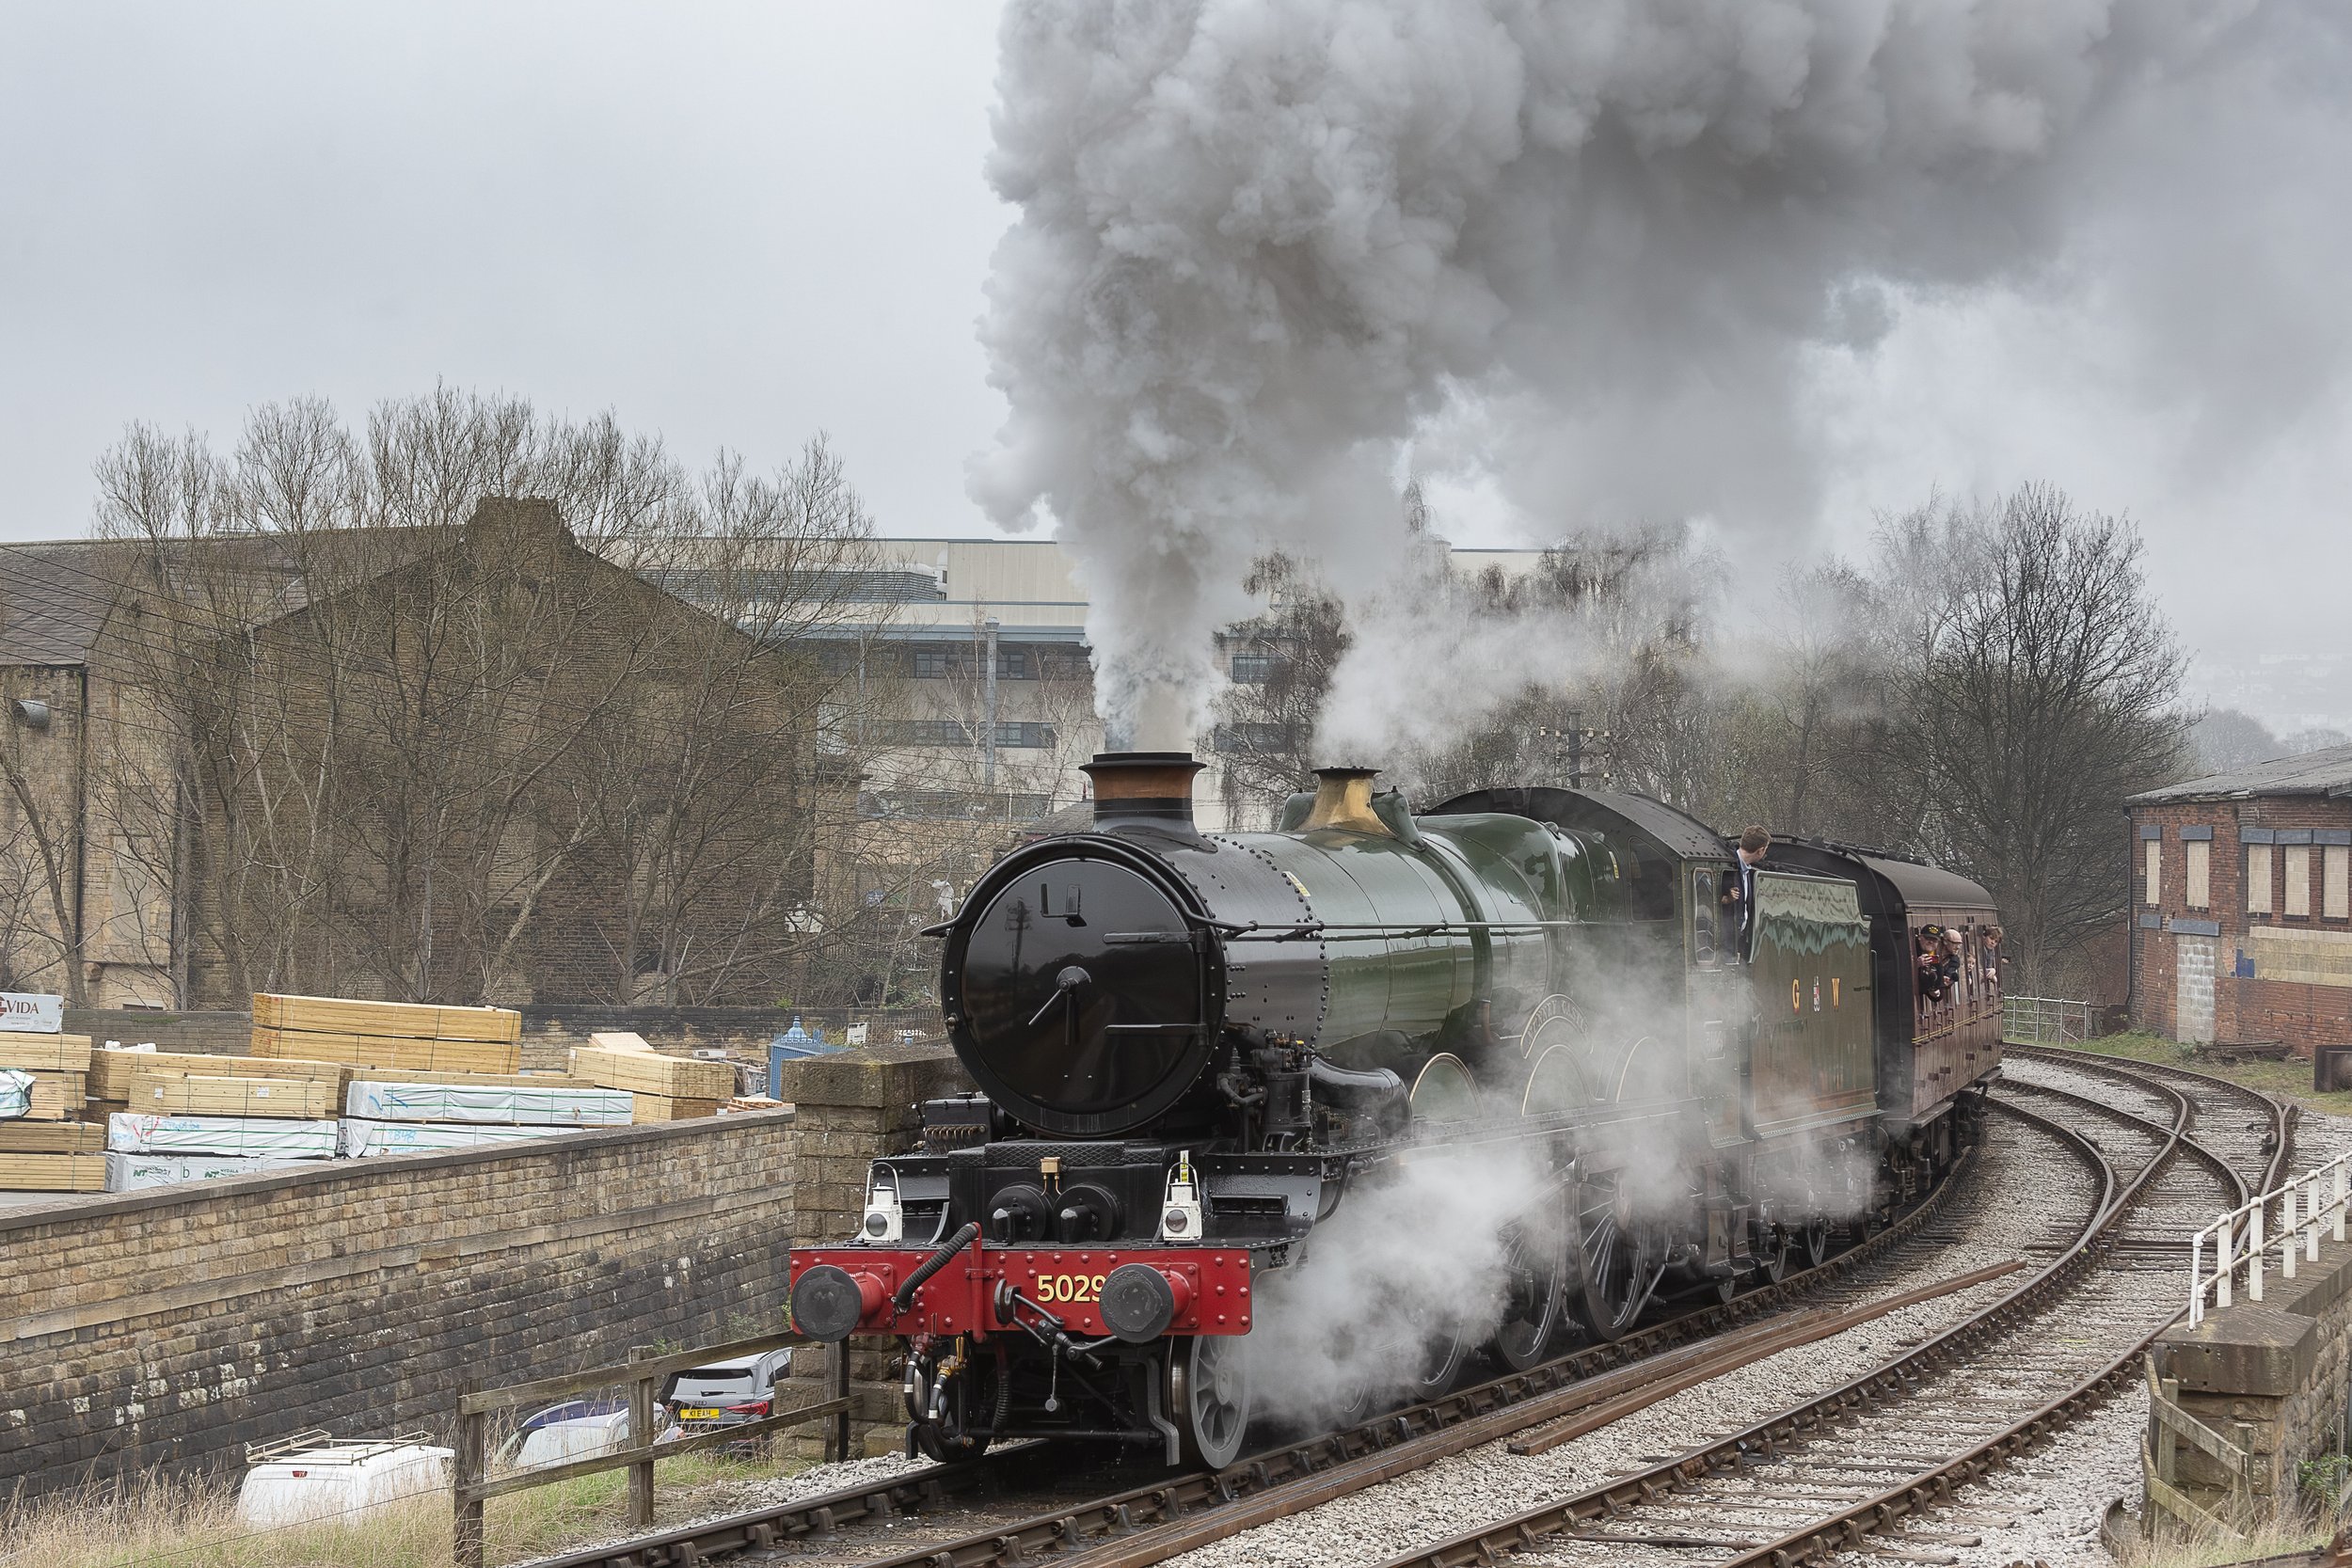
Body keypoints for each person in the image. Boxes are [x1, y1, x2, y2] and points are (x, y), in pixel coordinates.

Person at [1718, 825, 1771, 961]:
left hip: (1738, 943)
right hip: (1723, 944)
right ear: (1761, 850)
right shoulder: (1727, 867)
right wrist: (1724, 899)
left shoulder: (1747, 870)